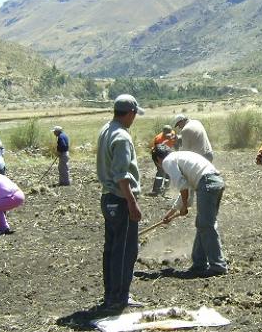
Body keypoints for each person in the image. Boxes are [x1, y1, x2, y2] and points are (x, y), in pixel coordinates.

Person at [96, 94, 144, 311]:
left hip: (108, 198)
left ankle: (111, 294)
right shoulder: (122, 137)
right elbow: (122, 175)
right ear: (131, 113)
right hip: (121, 198)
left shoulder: (106, 129)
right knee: (125, 251)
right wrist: (132, 202)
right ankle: (119, 297)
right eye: (135, 114)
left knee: (112, 249)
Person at [153, 145, 227, 275]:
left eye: (157, 164)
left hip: (207, 183)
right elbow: (188, 189)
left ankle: (218, 266)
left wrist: (184, 207)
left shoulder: (167, 161)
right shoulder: (180, 156)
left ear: (158, 159)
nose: (161, 167)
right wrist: (171, 213)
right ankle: (199, 263)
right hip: (215, 181)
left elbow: (183, 186)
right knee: (203, 224)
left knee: (206, 225)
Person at [150, 125, 177, 194]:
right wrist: (160, 163)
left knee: (169, 171)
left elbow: (175, 144)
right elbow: (156, 152)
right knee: (161, 171)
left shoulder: (173, 133)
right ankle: (156, 189)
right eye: (166, 135)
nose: (169, 136)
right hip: (158, 155)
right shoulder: (158, 139)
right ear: (163, 133)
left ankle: (166, 187)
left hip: (167, 154)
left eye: (169, 134)